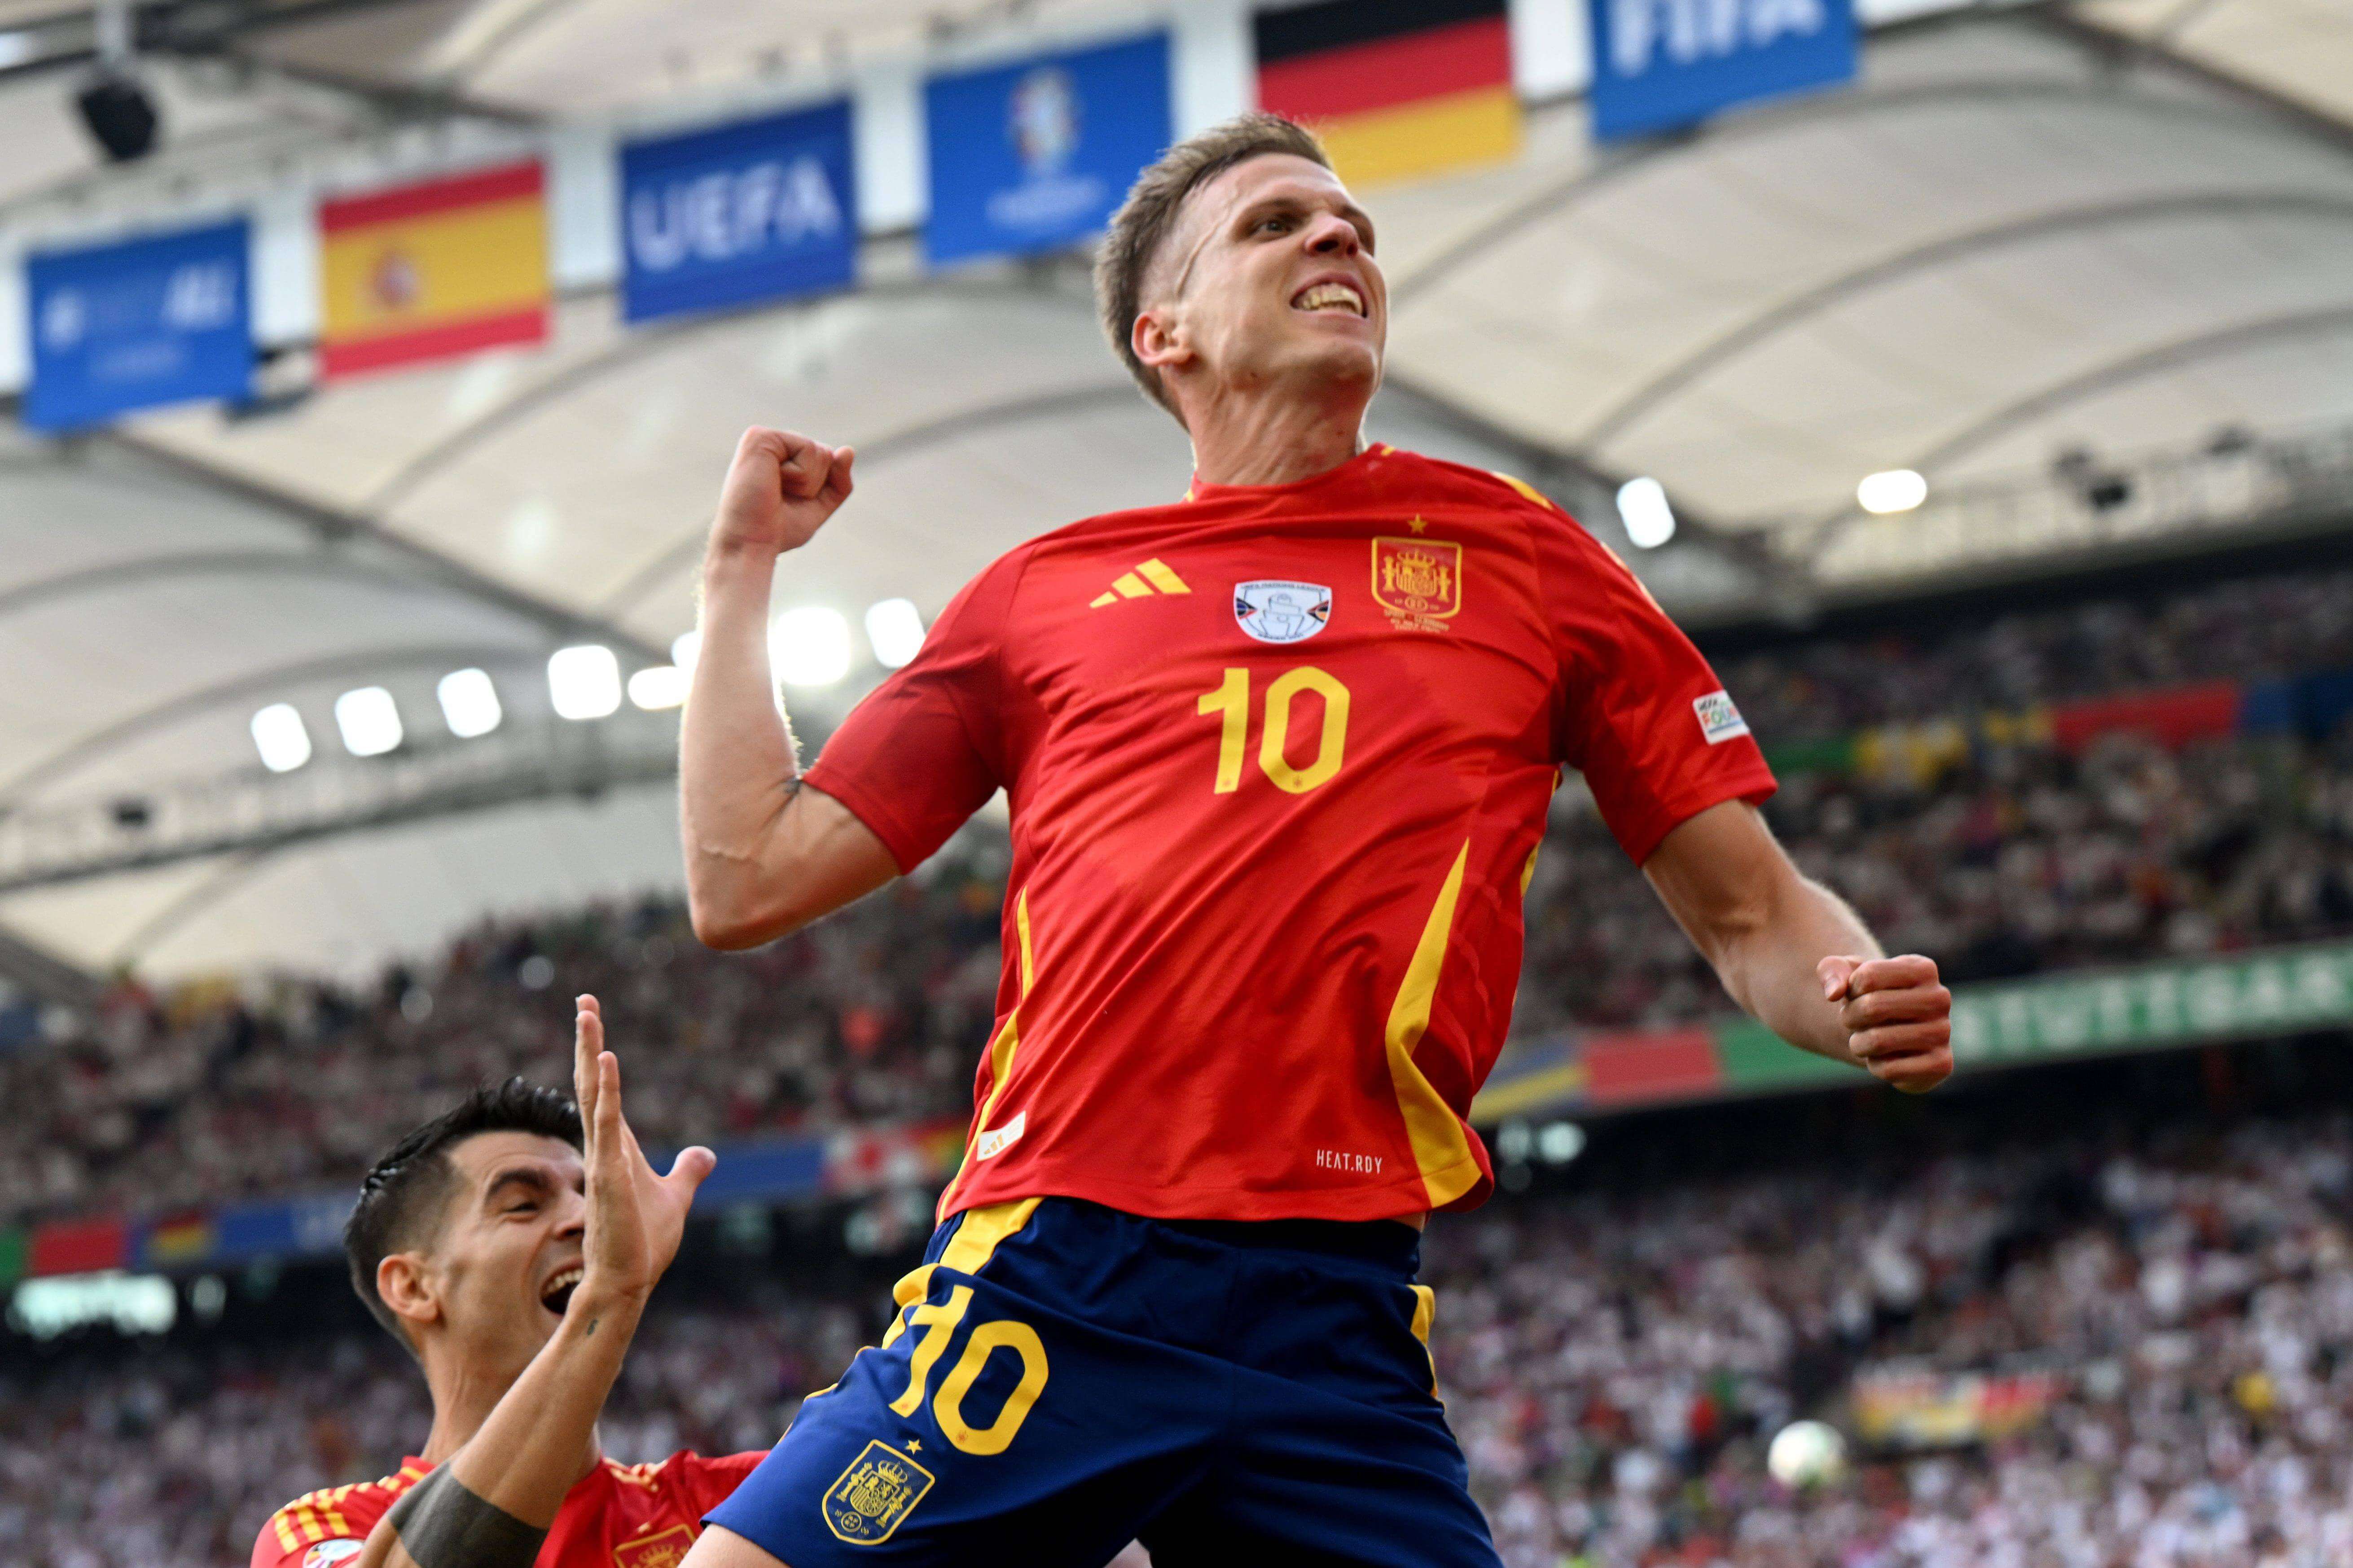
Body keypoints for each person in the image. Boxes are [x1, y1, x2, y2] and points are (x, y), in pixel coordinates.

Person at [676, 113, 1954, 1568]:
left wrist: (1849, 992)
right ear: (1164, 334)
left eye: (1352, 225)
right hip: (1063, 1273)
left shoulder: (1528, 561)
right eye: (1273, 224)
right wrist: (737, 571)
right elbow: (746, 875)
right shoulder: (1042, 596)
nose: (1339, 236)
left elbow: (1752, 913)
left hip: (1337, 1317)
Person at [252, 997, 738, 1568]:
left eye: (590, 1193)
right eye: (523, 1204)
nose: (588, 1218)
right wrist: (609, 1298)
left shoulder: (728, 1504)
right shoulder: (324, 1528)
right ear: (413, 1286)